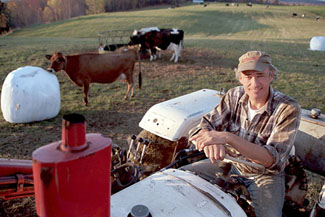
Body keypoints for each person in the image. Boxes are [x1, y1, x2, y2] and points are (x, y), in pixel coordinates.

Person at [185, 51, 301, 217]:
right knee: (180, 179)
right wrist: (211, 140)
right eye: (248, 76)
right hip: (230, 163)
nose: (254, 83)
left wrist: (226, 138)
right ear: (240, 78)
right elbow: (203, 125)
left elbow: (271, 160)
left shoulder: (288, 108)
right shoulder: (234, 95)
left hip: (264, 175)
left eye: (260, 75)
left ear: (271, 76)